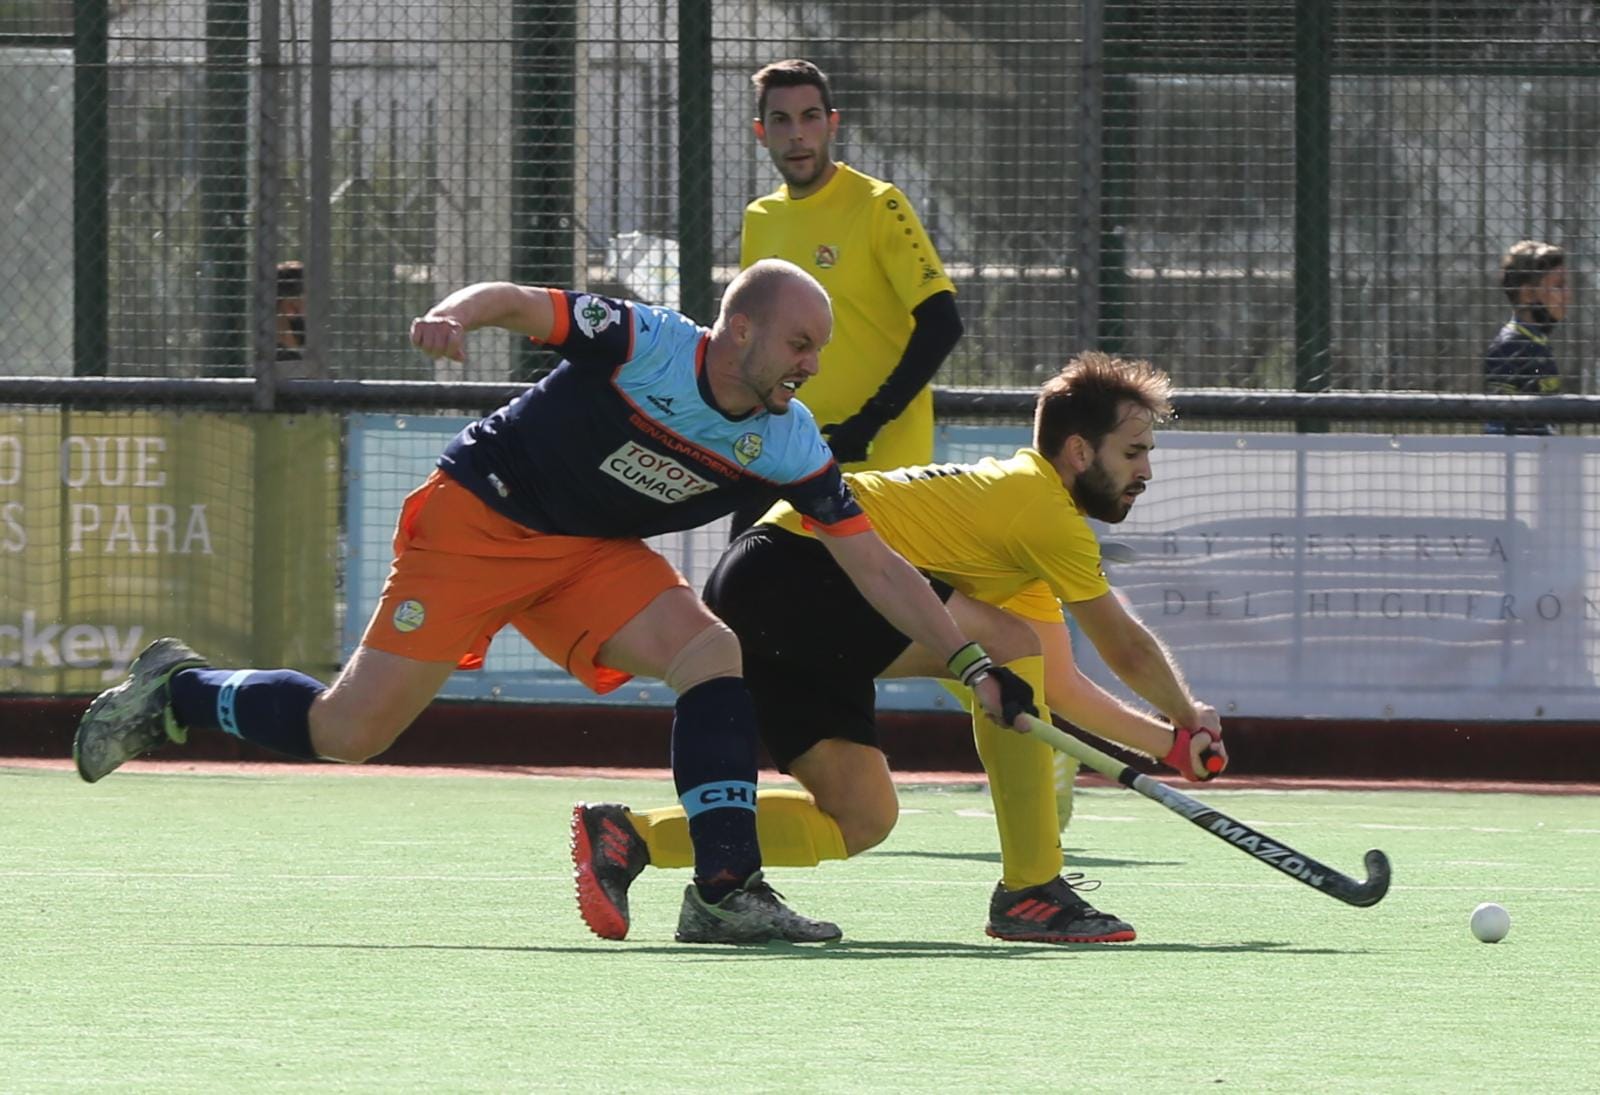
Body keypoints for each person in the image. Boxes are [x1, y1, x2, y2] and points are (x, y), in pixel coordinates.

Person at [72, 259, 1036, 946]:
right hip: (479, 520)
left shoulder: (786, 440)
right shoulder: (647, 343)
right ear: (739, 328)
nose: (810, 365)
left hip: (586, 554)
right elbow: (526, 305)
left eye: (818, 349)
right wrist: (457, 312)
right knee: (347, 730)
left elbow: (877, 568)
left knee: (711, 652)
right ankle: (180, 691)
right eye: (799, 342)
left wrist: (968, 662)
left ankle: (725, 888)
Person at [572, 351, 1227, 944]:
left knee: (862, 815)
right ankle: (1032, 891)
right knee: (1006, 642)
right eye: (1134, 450)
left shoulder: (1018, 539)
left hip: (788, 599)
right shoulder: (1042, 511)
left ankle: (629, 837)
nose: (1147, 469)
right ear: (1081, 452)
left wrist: (1167, 743)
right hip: (792, 567)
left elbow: (1054, 684)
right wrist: (1188, 714)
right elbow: (1126, 649)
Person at [728, 59, 963, 535]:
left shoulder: (879, 205)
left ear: (832, 124)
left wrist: (871, 420)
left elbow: (943, 324)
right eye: (781, 120)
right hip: (791, 453)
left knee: (878, 605)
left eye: (810, 117)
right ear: (760, 132)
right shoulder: (761, 218)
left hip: (881, 467)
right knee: (739, 584)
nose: (797, 134)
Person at [1484, 239, 1567, 436]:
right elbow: (1497, 430)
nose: (1568, 295)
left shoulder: (1537, 342)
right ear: (1528, 293)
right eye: (1559, 286)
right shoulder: (1510, 347)